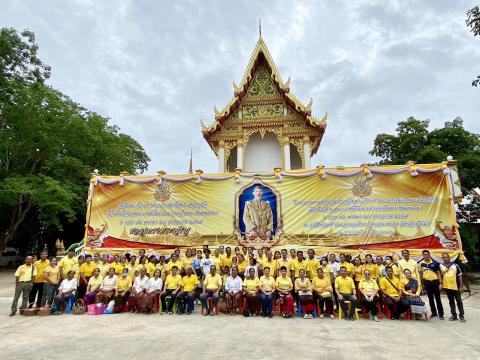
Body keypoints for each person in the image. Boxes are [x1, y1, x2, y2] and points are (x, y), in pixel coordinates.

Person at [440, 253, 465, 322]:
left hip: (456, 286)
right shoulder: (441, 265)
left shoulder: (455, 265)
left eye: (446, 257)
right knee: (451, 301)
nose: (445, 258)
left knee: (459, 301)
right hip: (447, 287)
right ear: (442, 258)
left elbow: (460, 275)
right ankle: (454, 315)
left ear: (449, 258)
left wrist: (461, 286)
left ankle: (461, 315)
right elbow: (441, 275)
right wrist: (441, 284)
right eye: (444, 257)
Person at [419, 249, 444, 320]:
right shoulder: (421, 264)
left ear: (429, 255)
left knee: (438, 298)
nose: (426, 256)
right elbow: (421, 274)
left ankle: (441, 314)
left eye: (427, 254)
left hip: (435, 282)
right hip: (426, 282)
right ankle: (434, 313)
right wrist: (422, 284)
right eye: (424, 255)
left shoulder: (435, 263)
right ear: (422, 256)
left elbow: (439, 274)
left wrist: (440, 283)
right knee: (430, 299)